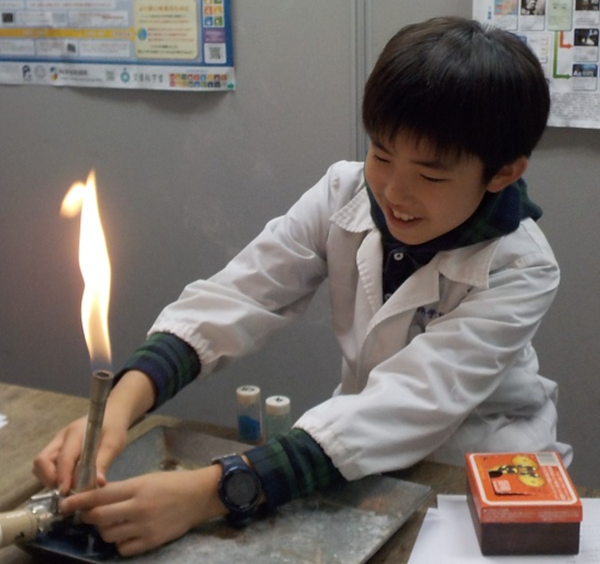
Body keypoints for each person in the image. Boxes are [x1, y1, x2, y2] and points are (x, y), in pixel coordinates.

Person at [34, 16, 572, 556]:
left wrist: (210, 492)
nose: (393, 191)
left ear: (502, 173)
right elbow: (241, 295)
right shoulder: (344, 193)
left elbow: (412, 401)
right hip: (353, 455)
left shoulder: (520, 268)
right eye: (381, 154)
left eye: (430, 176)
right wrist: (122, 405)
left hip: (475, 472)